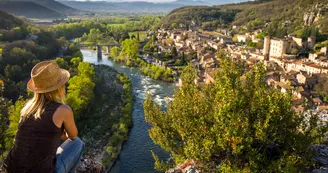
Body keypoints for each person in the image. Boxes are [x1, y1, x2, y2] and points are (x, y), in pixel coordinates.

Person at [3, 61, 84, 173]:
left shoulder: (26, 109)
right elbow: (73, 136)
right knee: (78, 143)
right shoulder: (63, 110)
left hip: (12, 168)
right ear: (59, 86)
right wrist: (61, 132)